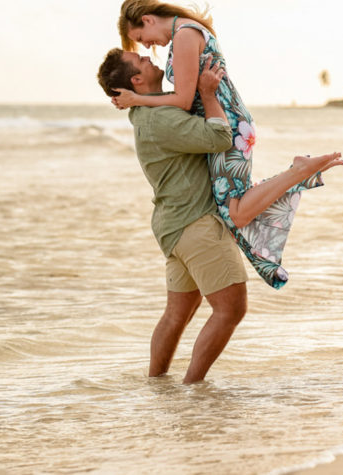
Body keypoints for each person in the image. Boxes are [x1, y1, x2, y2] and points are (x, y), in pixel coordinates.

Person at [111, 0, 341, 289]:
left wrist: (136, 99)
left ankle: (297, 171)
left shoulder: (183, 36)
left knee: (237, 212)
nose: (146, 46)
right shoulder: (189, 31)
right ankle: (296, 172)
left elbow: (182, 101)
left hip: (227, 125)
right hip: (230, 120)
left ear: (147, 20)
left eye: (141, 38)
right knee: (235, 207)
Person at [96, 50, 243, 381]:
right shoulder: (160, 117)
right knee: (231, 309)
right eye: (142, 60)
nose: (149, 57)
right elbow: (220, 138)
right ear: (136, 80)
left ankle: (157, 386)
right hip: (196, 224)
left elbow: (172, 99)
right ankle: (194, 387)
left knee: (178, 313)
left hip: (174, 226)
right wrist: (207, 93)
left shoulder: (146, 112)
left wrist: (134, 98)